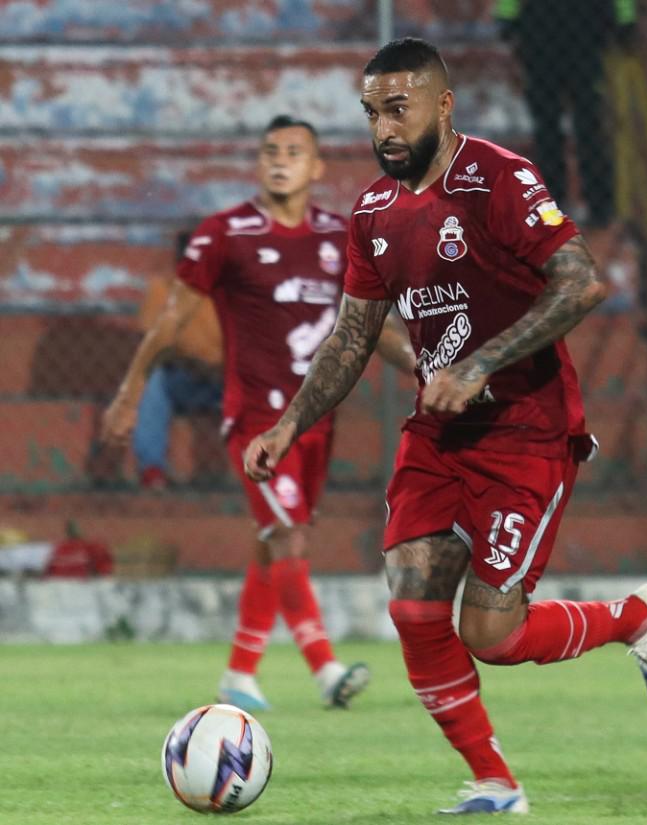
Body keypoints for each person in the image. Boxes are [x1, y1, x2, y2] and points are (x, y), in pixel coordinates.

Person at [242, 38, 647, 814]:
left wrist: (480, 364)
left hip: (528, 429)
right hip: (439, 434)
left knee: (492, 633)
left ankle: (632, 617)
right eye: (372, 112)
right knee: (413, 605)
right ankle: (494, 781)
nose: (383, 127)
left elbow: (582, 283)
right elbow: (351, 336)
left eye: (398, 108)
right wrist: (289, 424)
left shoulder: (499, 178)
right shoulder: (374, 213)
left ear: (443, 106)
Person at [102, 115, 415, 711]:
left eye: (294, 151)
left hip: (317, 417)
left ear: (316, 167)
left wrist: (430, 370)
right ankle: (325, 669)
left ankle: (240, 674)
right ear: (257, 163)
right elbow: (170, 323)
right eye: (270, 151)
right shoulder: (226, 233)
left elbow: (371, 329)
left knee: (274, 543)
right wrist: (130, 391)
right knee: (288, 536)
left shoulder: (340, 236)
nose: (280, 160)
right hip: (256, 421)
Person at [494, 0, 636, 228]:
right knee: (555, 127)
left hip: (569, 31)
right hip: (554, 31)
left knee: (582, 125)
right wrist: (507, 15)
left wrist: (624, 18)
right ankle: (563, 205)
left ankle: (596, 208)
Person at [131, 231, 224, 491]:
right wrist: (193, 365)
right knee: (151, 378)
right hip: (184, 379)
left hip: (229, 381)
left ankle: (273, 470)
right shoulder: (163, 290)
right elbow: (150, 348)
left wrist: (222, 370)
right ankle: (152, 471)